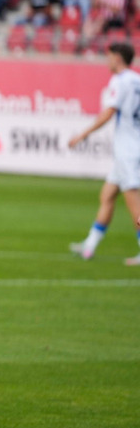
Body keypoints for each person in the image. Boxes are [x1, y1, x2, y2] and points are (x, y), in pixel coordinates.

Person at [69, 42, 140, 266]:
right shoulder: (137, 80)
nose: (107, 61)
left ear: (118, 58)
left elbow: (109, 112)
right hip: (130, 148)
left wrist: (82, 135)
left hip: (129, 150)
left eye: (109, 56)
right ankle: (89, 245)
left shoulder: (119, 81)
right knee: (108, 195)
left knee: (134, 203)